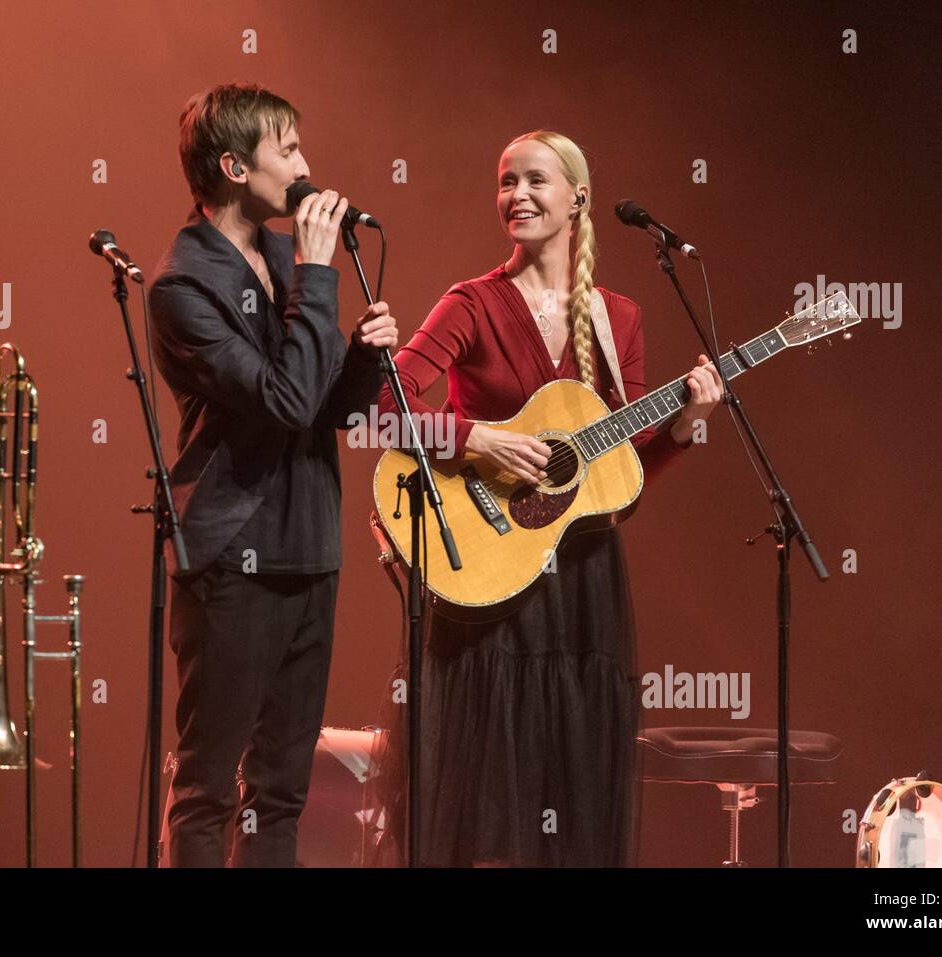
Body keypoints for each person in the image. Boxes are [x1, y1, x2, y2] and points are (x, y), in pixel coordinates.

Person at [377, 130, 723, 866]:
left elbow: (612, 485)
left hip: (582, 584)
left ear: (579, 198)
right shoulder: (471, 302)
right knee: (483, 807)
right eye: (506, 182)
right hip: (488, 581)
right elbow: (380, 407)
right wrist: (477, 440)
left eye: (535, 180)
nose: (517, 196)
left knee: (570, 810)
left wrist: (687, 425)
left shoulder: (617, 316)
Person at [147, 82, 397, 867]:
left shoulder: (288, 257)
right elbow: (282, 399)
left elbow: (322, 411)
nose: (305, 166)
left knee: (281, 790)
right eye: (286, 150)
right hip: (233, 556)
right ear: (231, 166)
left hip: (311, 545)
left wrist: (358, 361)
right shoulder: (182, 284)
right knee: (209, 788)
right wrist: (319, 283)